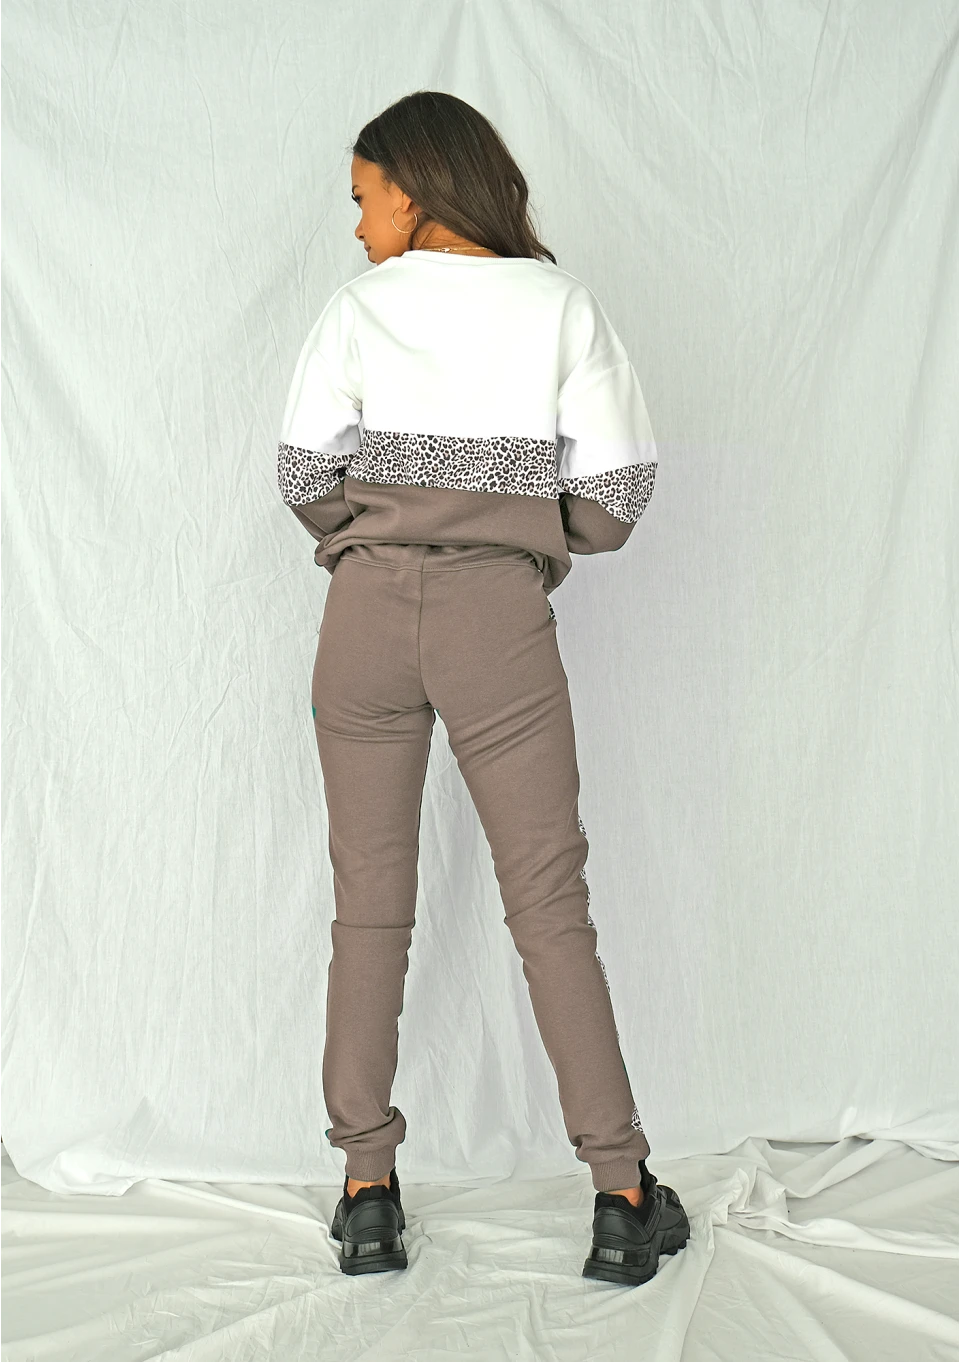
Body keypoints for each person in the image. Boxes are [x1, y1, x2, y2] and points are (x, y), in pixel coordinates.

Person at [277, 90, 690, 1286]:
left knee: (368, 900)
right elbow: (617, 494)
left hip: (362, 622)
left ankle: (366, 1193)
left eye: (364, 200)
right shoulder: (561, 307)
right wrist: (524, 534)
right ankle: (622, 1196)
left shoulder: (357, 310)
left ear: (413, 192)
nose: (359, 227)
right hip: (496, 624)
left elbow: (303, 475)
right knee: (550, 903)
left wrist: (380, 531)